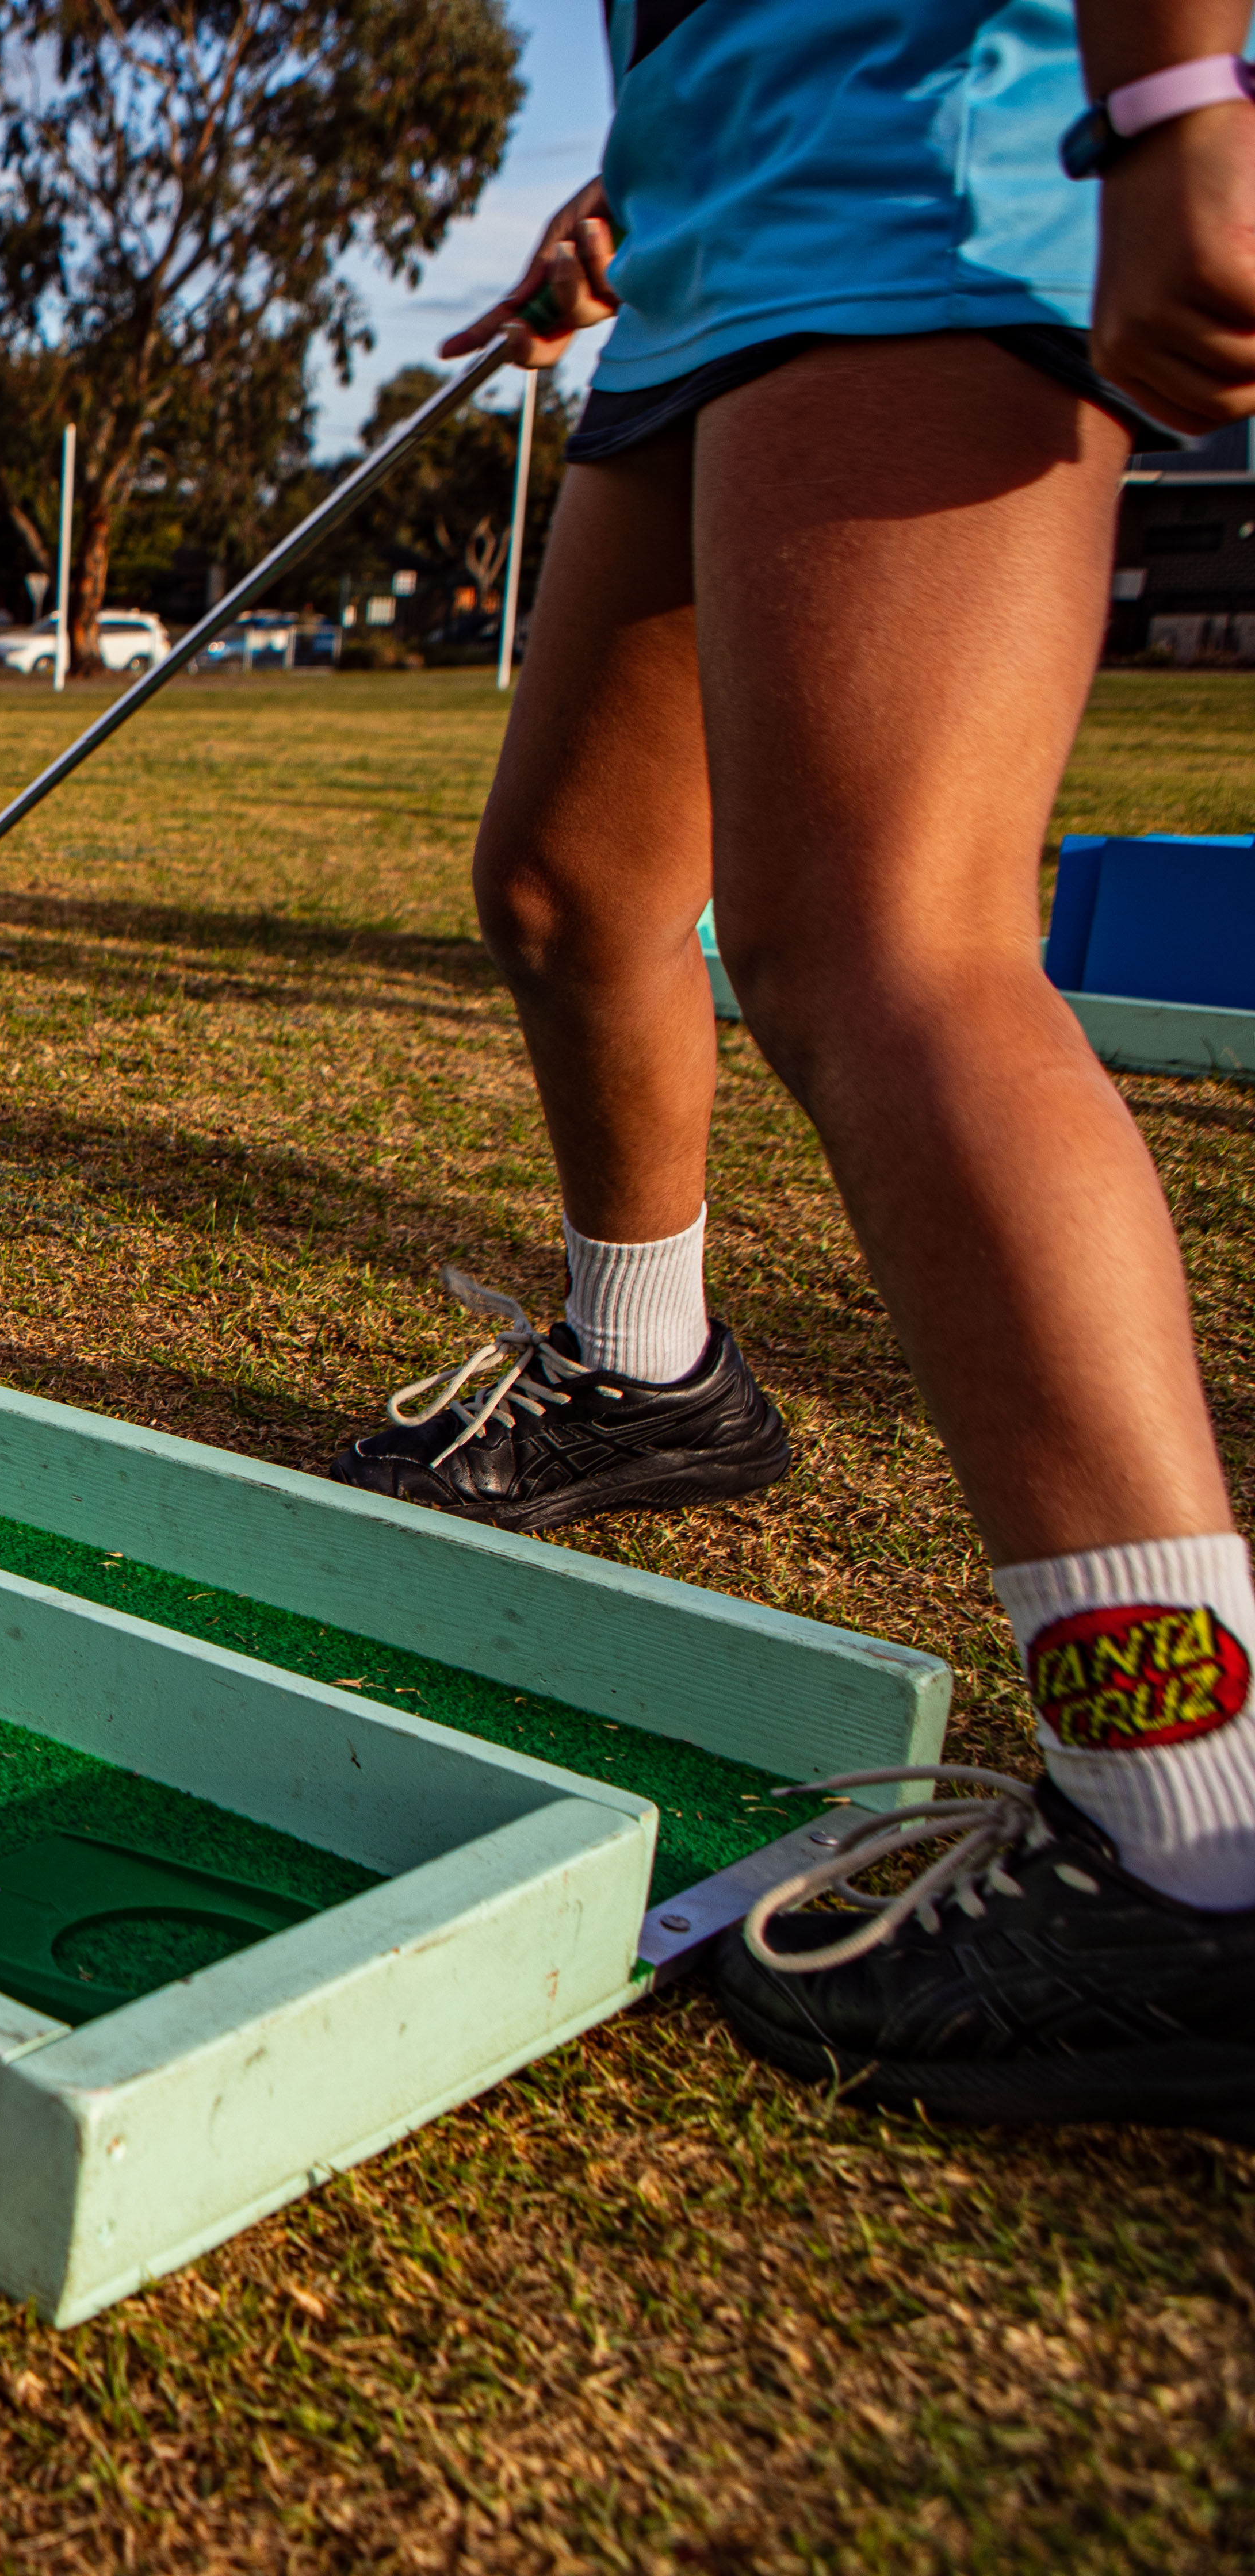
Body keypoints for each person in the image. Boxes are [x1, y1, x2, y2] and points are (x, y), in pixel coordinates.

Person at [326, 0, 1255, 2138]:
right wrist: (637, 176)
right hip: (724, 212)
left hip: (925, 166)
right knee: (567, 888)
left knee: (883, 950)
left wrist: (1181, 91)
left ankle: (1188, 1839)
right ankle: (650, 1375)